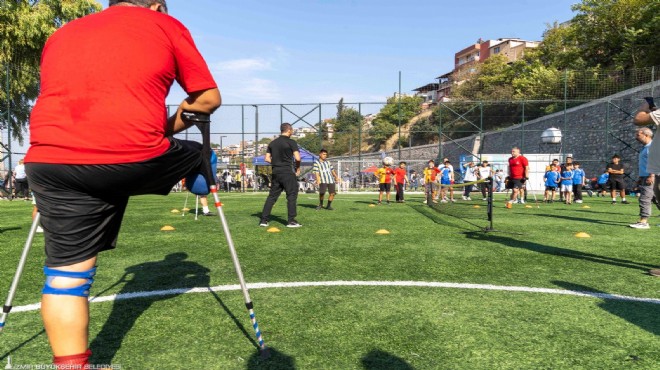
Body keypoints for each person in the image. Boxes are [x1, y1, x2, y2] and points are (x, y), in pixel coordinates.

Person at [23, 1, 221, 367]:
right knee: (194, 150)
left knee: (66, 278)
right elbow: (208, 99)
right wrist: (163, 126)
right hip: (129, 156)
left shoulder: (63, 33)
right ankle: (200, 182)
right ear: (158, 5)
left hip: (49, 161)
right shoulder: (164, 24)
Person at [260, 123, 301, 227]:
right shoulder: (291, 142)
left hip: (276, 173)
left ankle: (263, 220)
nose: (292, 132)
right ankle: (291, 221)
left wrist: (276, 163)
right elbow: (297, 158)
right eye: (292, 130)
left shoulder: (272, 143)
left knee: (272, 197)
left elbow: (267, 158)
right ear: (289, 130)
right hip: (288, 172)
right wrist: (298, 168)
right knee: (291, 195)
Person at [629, 127, 655, 228]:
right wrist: (640, 178)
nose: (636, 137)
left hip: (651, 176)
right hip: (645, 176)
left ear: (646, 135)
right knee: (656, 199)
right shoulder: (645, 147)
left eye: (638, 135)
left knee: (644, 199)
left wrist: (651, 175)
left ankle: (643, 222)